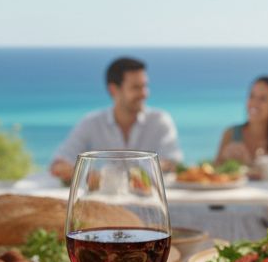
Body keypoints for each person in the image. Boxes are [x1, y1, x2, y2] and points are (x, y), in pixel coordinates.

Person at [49, 57, 183, 182]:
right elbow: (58, 165)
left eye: (145, 86)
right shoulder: (91, 123)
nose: (144, 94)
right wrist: (94, 178)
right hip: (102, 204)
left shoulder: (160, 120)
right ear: (114, 90)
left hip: (148, 202)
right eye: (136, 87)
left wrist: (132, 177)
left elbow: (173, 163)